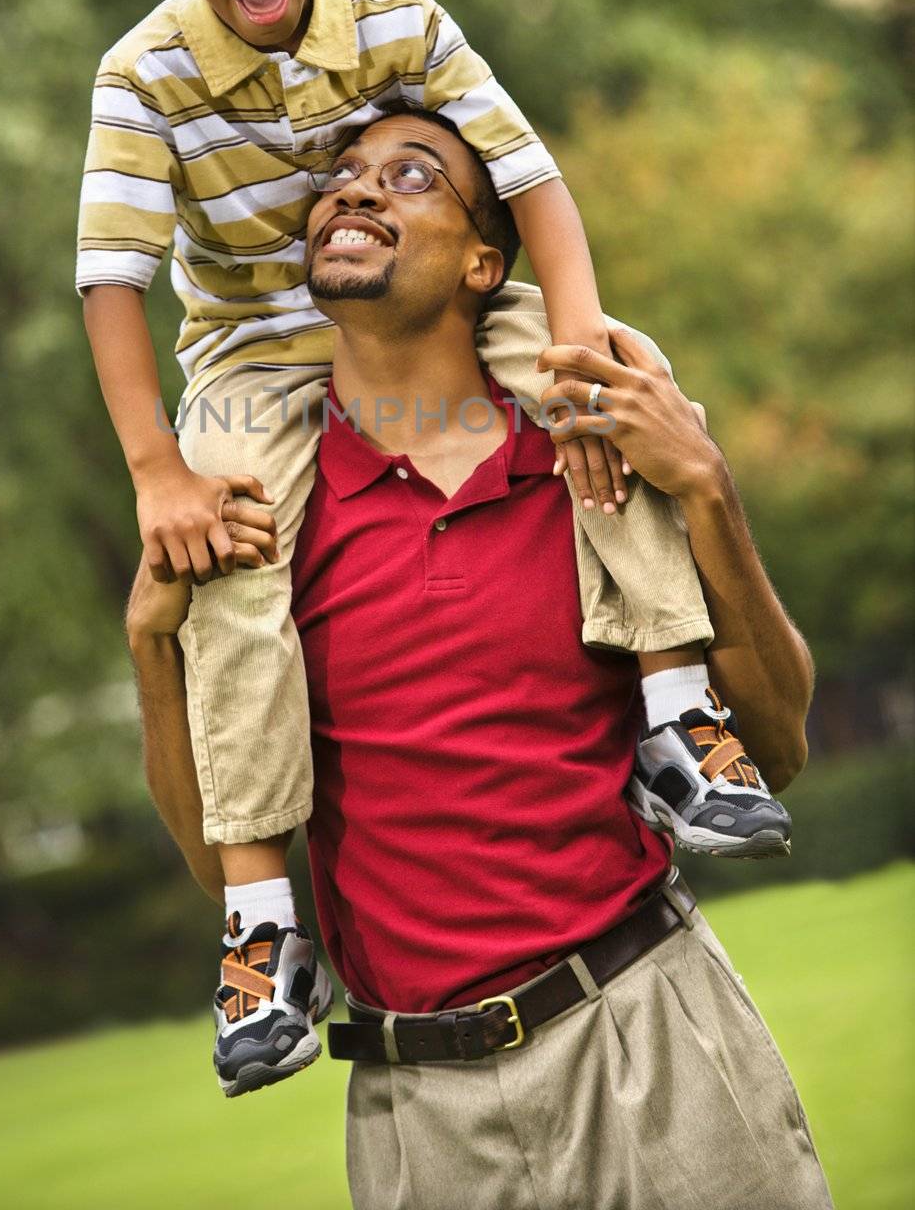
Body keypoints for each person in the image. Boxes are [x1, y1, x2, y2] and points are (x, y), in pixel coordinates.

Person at [77, 0, 788, 1095]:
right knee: (224, 552)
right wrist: (154, 471)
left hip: (421, 292)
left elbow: (532, 186)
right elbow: (109, 278)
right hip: (249, 346)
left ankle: (678, 714)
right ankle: (259, 924)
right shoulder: (142, 74)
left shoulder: (400, 24)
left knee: (617, 387)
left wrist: (573, 355)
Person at [126, 108, 831, 1207]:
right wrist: (147, 643)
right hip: (418, 1115)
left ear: (481, 263)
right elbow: (224, 863)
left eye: (412, 177)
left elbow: (775, 747)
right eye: (340, 177)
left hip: (646, 1032)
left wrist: (704, 486)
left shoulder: (588, 463)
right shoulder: (262, 525)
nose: (355, 192)